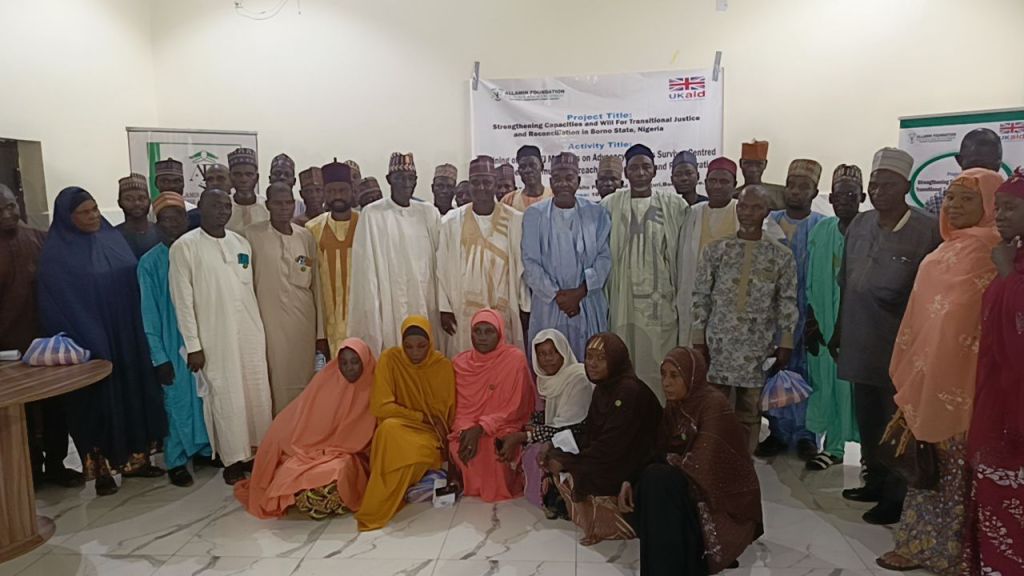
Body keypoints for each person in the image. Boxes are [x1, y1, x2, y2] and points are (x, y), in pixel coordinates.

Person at [876, 170, 1004, 573]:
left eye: (967, 198)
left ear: (990, 204)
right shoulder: (941, 254)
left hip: (973, 386)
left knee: (965, 473)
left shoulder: (999, 255)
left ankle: (962, 554)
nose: (954, 205)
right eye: (950, 197)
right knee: (929, 468)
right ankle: (920, 545)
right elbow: (922, 321)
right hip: (929, 378)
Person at [833, 147, 942, 525]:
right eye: (874, 185)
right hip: (859, 338)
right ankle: (875, 480)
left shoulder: (928, 229)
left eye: (888, 185)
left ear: (906, 187)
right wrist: (839, 331)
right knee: (868, 419)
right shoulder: (860, 224)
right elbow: (846, 284)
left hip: (900, 346)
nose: (878, 192)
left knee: (895, 421)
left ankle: (897, 494)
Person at [38, 187, 167, 495]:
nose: (93, 216)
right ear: (67, 218)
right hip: (91, 344)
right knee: (98, 406)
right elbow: (57, 306)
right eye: (84, 212)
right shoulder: (56, 256)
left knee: (133, 397)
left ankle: (136, 461)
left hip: (126, 336)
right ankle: (103, 471)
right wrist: (92, 339)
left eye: (95, 208)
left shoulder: (112, 238)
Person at [170, 188, 273, 485]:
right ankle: (232, 460)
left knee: (257, 393)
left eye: (226, 206)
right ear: (200, 208)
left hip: (250, 333)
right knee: (225, 396)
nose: (222, 211)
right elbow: (182, 301)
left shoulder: (241, 243)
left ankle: (257, 453)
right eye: (215, 205)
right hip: (214, 336)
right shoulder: (185, 246)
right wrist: (193, 345)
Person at [628, 347, 763, 575]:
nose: (666, 383)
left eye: (674, 375)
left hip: (721, 503)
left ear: (692, 375)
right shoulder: (676, 406)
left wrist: (666, 462)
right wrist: (629, 480)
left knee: (657, 479)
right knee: (649, 481)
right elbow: (658, 449)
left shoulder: (713, 405)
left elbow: (703, 465)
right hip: (689, 485)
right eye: (664, 375)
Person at [691, 186, 798, 453]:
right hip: (718, 344)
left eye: (755, 207)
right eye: (743, 206)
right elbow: (701, 295)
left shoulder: (780, 255)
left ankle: (743, 462)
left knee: (749, 412)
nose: (747, 213)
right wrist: (698, 338)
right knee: (714, 407)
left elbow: (787, 301)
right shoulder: (716, 250)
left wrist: (785, 342)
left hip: (757, 347)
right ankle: (712, 460)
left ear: (767, 212)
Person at [235, 338, 377, 520]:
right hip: (313, 451)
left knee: (338, 472)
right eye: (343, 363)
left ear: (365, 360)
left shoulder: (375, 383)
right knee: (292, 472)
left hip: (352, 456)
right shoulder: (327, 380)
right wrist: (315, 450)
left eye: (355, 362)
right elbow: (301, 418)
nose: (349, 368)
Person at [544, 333, 662, 545]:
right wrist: (558, 448)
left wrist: (571, 461)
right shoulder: (604, 387)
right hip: (616, 454)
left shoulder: (628, 391)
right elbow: (593, 432)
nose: (592, 364)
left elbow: (614, 445)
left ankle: (608, 526)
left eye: (601, 358)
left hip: (637, 464)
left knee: (579, 470)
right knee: (554, 456)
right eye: (589, 356)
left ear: (616, 360)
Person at [964, 168, 1024, 576]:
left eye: (1011, 208)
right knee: (994, 495)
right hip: (1000, 395)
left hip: (1017, 405)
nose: (999, 215)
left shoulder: (1008, 262)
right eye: (997, 207)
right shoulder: (1012, 253)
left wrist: (1007, 276)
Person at [0, 185, 80, 488]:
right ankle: (29, 471)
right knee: (18, 415)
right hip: (8, 350)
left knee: (55, 408)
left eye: (10, 206)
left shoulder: (39, 238)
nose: (7, 214)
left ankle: (57, 465)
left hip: (48, 345)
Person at [603, 143, 688, 404]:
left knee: (659, 359)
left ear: (654, 170)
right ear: (626, 172)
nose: (640, 173)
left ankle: (661, 415)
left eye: (645, 167)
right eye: (634, 168)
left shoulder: (675, 205)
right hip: (624, 299)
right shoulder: (609, 205)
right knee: (624, 355)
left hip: (659, 300)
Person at [137, 192, 213, 487]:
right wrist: (160, 357)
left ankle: (204, 450)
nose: (171, 224)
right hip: (171, 343)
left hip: (205, 339)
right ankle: (177, 459)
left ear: (186, 220)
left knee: (204, 397)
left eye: (177, 217)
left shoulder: (199, 251)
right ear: (157, 224)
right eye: (164, 219)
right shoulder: (150, 263)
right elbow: (150, 315)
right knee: (177, 400)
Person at [355, 316, 455, 531]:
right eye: (408, 347)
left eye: (421, 346)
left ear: (430, 343)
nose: (415, 352)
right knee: (388, 430)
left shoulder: (442, 366)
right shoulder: (391, 360)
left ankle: (389, 498)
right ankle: (401, 490)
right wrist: (420, 416)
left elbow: (444, 416)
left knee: (401, 446)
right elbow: (380, 408)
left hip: (429, 434)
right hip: (401, 427)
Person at [757, 159, 827, 460]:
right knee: (776, 369)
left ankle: (807, 435)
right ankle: (778, 432)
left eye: (803, 187)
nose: (795, 192)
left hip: (810, 312)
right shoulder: (769, 221)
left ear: (815, 192)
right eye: (791, 185)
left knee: (808, 372)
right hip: (773, 313)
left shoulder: (822, 225)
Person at [348, 153, 442, 354]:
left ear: (416, 181)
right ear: (389, 179)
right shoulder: (373, 214)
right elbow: (367, 269)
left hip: (425, 298)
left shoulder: (428, 213)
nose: (406, 183)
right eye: (399, 178)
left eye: (410, 178)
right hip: (390, 301)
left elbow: (439, 262)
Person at [803, 165, 864, 470]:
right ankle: (833, 447)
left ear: (862, 197)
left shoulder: (869, 230)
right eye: (838, 195)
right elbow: (811, 279)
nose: (843, 201)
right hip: (825, 324)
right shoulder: (822, 231)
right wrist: (812, 320)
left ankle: (870, 457)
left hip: (859, 327)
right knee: (828, 385)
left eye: (851, 195)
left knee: (860, 391)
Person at [522, 151, 612, 361]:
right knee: (551, 361)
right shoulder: (534, 215)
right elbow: (530, 262)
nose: (563, 184)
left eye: (569, 178)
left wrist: (580, 293)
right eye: (557, 178)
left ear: (578, 181)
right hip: (550, 304)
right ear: (550, 182)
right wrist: (559, 297)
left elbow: (604, 258)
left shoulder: (597, 213)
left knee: (589, 361)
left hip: (586, 302)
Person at [247, 183, 328, 414]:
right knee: (276, 382)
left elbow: (316, 285)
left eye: (288, 203)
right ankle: (281, 430)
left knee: (306, 380)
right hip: (269, 324)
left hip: (303, 324)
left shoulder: (305, 237)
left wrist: (320, 334)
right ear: (268, 205)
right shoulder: (252, 235)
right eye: (278, 203)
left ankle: (303, 429)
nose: (284, 208)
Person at [438, 155, 529, 356]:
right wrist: (444, 307)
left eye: (487, 182)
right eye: (475, 182)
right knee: (466, 357)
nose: (481, 188)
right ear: (469, 184)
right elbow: (441, 267)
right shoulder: (451, 222)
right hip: (463, 309)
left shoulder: (515, 221)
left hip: (503, 308)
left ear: (495, 183)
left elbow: (522, 268)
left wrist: (524, 306)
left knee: (503, 360)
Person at [499, 329, 593, 517]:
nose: (547, 359)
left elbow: (567, 425)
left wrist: (524, 436)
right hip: (561, 432)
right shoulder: (547, 380)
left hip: (581, 436)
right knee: (524, 441)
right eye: (542, 354)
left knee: (538, 449)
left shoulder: (578, 377)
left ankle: (558, 497)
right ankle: (547, 494)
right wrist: (530, 426)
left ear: (563, 352)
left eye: (553, 352)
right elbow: (549, 415)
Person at [447, 309, 534, 502]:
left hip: (505, 424)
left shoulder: (514, 359)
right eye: (477, 331)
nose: (482, 337)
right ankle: (467, 484)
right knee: (459, 444)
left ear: (500, 333)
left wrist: (482, 427)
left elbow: (517, 406)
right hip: (468, 424)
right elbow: (457, 407)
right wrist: (465, 429)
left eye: (489, 331)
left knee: (493, 448)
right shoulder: (459, 363)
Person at [676, 157, 742, 346]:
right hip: (697, 296)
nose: (717, 186)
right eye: (712, 181)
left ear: (734, 185)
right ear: (705, 183)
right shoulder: (693, 213)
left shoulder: (742, 211)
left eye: (724, 181)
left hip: (731, 299)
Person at [306, 161, 360, 356]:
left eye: (342, 190)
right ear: (324, 193)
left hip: (361, 313)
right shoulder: (312, 229)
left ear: (352, 192)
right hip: (327, 318)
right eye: (331, 191)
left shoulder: (365, 224)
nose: (337, 196)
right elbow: (307, 268)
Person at [924, 128, 1003, 215]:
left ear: (999, 164)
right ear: (960, 160)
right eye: (976, 165)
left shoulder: (1010, 198)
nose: (981, 173)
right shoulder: (937, 203)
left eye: (989, 166)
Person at [115, 173, 162, 258]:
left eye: (142, 198)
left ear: (149, 201)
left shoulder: (162, 233)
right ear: (119, 203)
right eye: (129, 199)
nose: (137, 203)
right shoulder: (113, 237)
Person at [226, 147, 269, 234]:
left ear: (257, 178)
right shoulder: (223, 207)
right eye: (237, 174)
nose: (243, 180)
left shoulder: (267, 207)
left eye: (249, 174)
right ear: (230, 177)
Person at [736, 140, 786, 211]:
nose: (753, 169)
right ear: (740, 164)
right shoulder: (733, 196)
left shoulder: (779, 194)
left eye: (759, 164)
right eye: (748, 163)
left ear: (765, 164)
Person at [502, 145, 553, 211]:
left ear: (542, 166)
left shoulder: (554, 197)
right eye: (523, 166)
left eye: (532, 165)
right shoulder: (509, 201)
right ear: (518, 170)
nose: (528, 170)